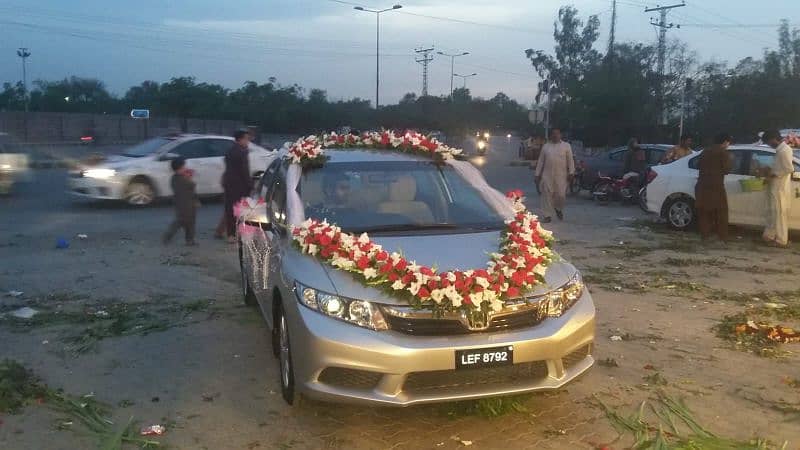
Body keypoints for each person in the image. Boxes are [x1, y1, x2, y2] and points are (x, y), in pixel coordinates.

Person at [695, 133, 733, 241]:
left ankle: (705, 235)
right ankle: (722, 236)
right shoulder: (723, 153)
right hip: (716, 186)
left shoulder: (705, 151)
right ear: (725, 142)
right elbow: (727, 170)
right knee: (721, 212)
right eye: (728, 143)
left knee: (704, 212)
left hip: (702, 185)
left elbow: (698, 165)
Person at [218, 130, 253, 243]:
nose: (248, 141)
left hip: (229, 183)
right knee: (240, 211)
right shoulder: (242, 152)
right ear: (241, 139)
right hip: (239, 186)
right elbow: (244, 171)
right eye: (246, 139)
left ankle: (230, 234)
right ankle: (240, 234)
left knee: (229, 210)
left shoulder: (230, 151)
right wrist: (249, 185)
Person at [761, 129, 794, 247]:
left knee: (779, 214)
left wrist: (773, 175)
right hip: (774, 186)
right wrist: (769, 172)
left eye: (768, 142)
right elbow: (779, 167)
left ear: (773, 139)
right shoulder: (780, 150)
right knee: (772, 212)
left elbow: (789, 168)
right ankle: (769, 236)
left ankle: (781, 240)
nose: (769, 145)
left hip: (779, 187)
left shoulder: (785, 150)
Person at [535, 128, 575, 222]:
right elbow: (540, 161)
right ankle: (547, 215)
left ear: (560, 135)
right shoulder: (546, 147)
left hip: (561, 175)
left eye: (557, 133)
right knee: (546, 195)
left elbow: (570, 160)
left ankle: (558, 208)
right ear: (550, 135)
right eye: (553, 134)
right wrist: (537, 174)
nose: (555, 135)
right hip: (547, 175)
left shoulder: (566, 146)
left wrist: (571, 172)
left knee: (561, 195)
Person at [163, 157, 198, 246]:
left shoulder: (174, 178)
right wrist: (189, 177)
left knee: (187, 222)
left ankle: (189, 240)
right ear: (179, 169)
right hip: (186, 204)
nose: (185, 168)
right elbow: (192, 185)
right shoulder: (182, 179)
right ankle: (169, 236)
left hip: (183, 203)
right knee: (183, 222)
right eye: (183, 167)